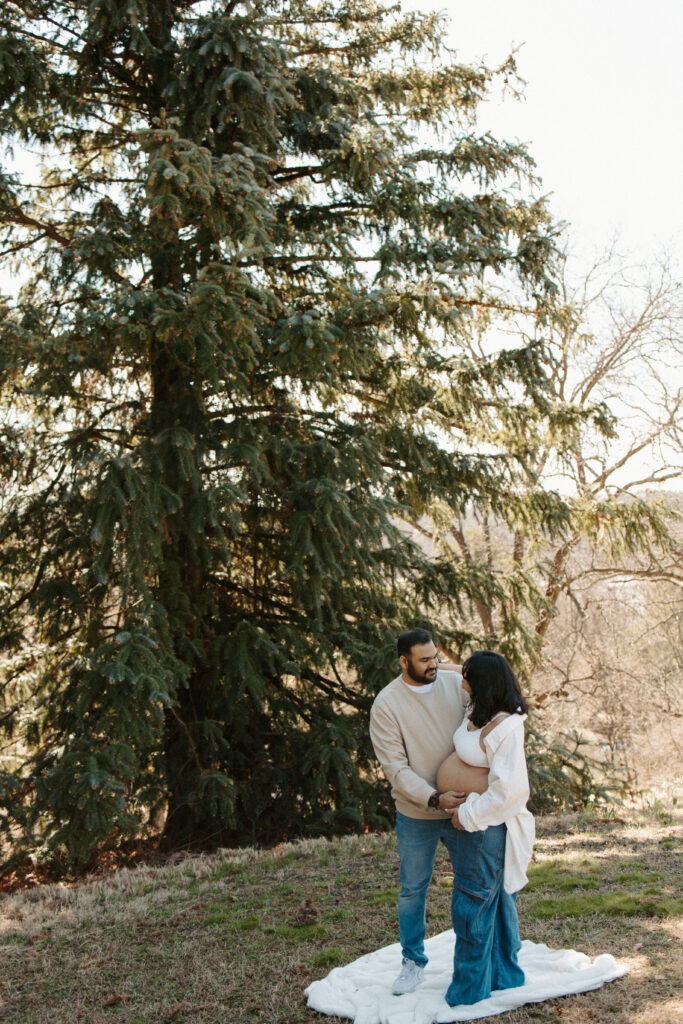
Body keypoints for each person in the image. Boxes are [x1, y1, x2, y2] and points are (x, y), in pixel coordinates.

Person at [369, 628, 488, 996]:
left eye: (436, 656)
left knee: (472, 885)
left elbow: (477, 678)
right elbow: (396, 769)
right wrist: (434, 798)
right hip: (418, 813)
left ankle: (472, 960)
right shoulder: (387, 705)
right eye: (424, 659)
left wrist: (446, 665)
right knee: (413, 889)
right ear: (403, 662)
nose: (433, 664)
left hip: (463, 810)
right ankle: (412, 961)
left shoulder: (453, 683)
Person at [437, 649, 535, 1007]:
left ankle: (468, 991)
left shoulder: (506, 728)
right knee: (494, 904)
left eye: (468, 676)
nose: (461, 681)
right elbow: (453, 672)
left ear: (482, 683)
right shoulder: (478, 708)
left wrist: (467, 815)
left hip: (485, 828)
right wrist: (439, 663)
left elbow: (510, 791)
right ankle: (504, 976)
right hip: (476, 826)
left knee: (472, 906)